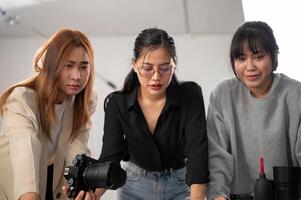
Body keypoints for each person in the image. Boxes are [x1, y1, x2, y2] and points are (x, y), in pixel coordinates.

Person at [97, 28, 209, 200]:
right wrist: (92, 193)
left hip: (180, 186)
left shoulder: (190, 95)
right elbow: (110, 159)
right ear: (135, 65)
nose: (156, 77)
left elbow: (197, 155)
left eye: (165, 68)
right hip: (134, 187)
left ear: (174, 65)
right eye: (147, 68)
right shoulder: (117, 104)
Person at [206, 21, 301, 200]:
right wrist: (217, 195)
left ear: (273, 56)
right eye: (241, 59)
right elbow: (217, 155)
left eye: (258, 57)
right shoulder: (222, 94)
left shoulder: (296, 94)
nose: (250, 67)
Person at [0, 28, 98, 200]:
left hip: (53, 174)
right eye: (69, 66)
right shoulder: (21, 99)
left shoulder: (86, 101)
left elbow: (77, 150)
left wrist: (82, 188)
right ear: (53, 65)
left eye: (84, 67)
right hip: (17, 178)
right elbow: (26, 154)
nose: (77, 76)